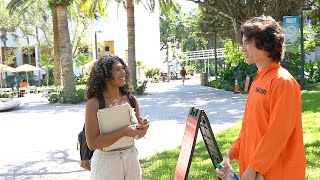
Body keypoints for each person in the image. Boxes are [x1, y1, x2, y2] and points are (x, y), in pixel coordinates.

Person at [216, 16, 306, 180]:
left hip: (276, 172)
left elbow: (278, 133)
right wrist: (230, 155)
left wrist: (254, 167)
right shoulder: (259, 79)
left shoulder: (283, 82)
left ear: (265, 45)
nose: (242, 48)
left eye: (246, 43)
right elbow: (249, 128)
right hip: (255, 170)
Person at [85, 55, 149, 179]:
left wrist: (144, 128)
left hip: (131, 160)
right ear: (105, 74)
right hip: (106, 163)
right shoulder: (94, 104)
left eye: (123, 68)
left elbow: (138, 134)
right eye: (117, 69)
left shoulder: (131, 99)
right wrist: (124, 132)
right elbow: (92, 143)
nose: (123, 72)